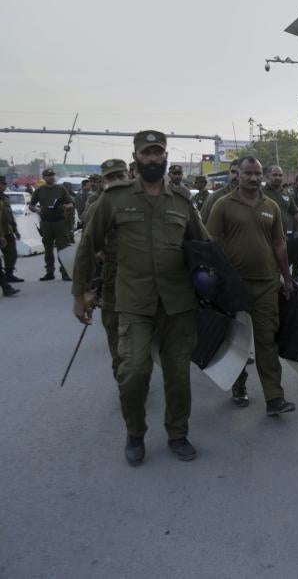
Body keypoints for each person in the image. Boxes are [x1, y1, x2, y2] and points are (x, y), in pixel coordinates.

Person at [72, 130, 209, 466]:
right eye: (146, 153)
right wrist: (81, 293)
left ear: (166, 157)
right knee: (133, 372)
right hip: (133, 301)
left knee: (178, 375)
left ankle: (178, 433)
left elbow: (204, 247)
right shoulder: (114, 198)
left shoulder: (181, 201)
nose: (152, 158)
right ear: (136, 158)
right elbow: (88, 247)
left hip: (178, 303)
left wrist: (217, 284)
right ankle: (135, 433)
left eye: (158, 152)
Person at [206, 156, 297, 416]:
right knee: (237, 341)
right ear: (238, 175)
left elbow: (279, 244)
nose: (254, 178)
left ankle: (274, 398)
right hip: (234, 287)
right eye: (249, 173)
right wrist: (216, 282)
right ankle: (239, 386)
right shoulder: (223, 205)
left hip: (267, 285)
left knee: (267, 340)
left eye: (258, 173)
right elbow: (211, 245)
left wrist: (286, 279)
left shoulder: (272, 206)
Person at [71, 159, 129, 380]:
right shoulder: (97, 207)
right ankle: (123, 379)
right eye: (111, 178)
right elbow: (88, 250)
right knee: (117, 337)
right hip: (111, 280)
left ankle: (134, 377)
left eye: (120, 176)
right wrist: (88, 288)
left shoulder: (143, 202)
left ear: (128, 176)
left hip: (142, 284)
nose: (115, 182)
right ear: (104, 181)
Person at [262, 167, 298, 285]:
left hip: (282, 239)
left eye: (280, 175)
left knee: (281, 266)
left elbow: (295, 213)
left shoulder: (286, 193)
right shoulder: (260, 192)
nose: (278, 178)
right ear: (268, 176)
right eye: (274, 175)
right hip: (264, 239)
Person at [29, 168, 73, 281]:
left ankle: (65, 272)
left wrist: (64, 207)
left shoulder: (61, 189)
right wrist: (37, 210)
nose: (51, 177)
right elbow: (31, 205)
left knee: (63, 249)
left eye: (52, 175)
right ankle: (49, 272)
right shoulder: (39, 190)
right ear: (44, 177)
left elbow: (71, 204)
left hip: (60, 222)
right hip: (46, 222)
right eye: (48, 175)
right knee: (48, 249)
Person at [0, 175, 24, 284]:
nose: (4, 186)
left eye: (5, 184)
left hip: (8, 231)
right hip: (1, 232)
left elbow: (10, 216)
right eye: (3, 184)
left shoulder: (5, 198)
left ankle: (9, 274)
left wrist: (15, 230)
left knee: (12, 253)